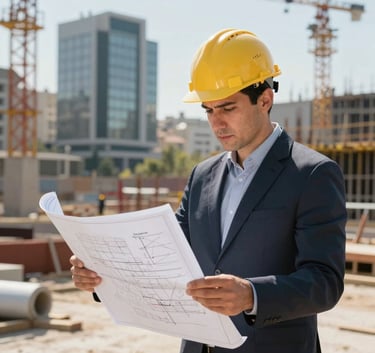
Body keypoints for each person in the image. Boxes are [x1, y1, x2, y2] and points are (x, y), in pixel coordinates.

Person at [70, 29, 347, 353]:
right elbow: (164, 254)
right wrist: (102, 275)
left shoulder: (312, 174)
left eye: (228, 108)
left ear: (265, 100)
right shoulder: (203, 175)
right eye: (208, 110)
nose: (216, 124)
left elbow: (325, 282)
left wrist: (252, 296)